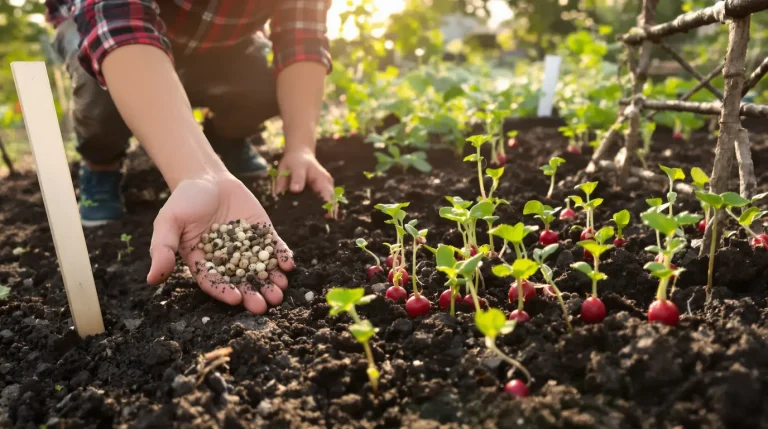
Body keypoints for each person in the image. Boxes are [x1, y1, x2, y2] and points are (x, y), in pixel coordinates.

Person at [44, 0, 336, 314]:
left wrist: (300, 147)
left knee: (262, 79)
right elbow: (117, 22)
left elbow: (302, 39)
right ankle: (101, 163)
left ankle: (225, 140)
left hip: (219, 40)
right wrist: (194, 174)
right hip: (95, 26)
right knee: (96, 91)